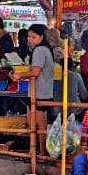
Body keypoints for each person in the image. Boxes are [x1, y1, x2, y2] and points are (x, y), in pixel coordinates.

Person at [9, 24, 54, 156]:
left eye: (33, 37)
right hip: (40, 91)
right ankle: (35, 152)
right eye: (28, 36)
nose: (30, 39)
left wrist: (19, 76)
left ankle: (41, 153)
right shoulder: (44, 50)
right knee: (34, 124)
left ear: (41, 37)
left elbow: (35, 72)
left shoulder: (40, 50)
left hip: (40, 93)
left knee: (39, 126)